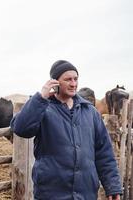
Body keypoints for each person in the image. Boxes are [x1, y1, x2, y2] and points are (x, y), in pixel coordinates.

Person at [10, 60, 122, 199]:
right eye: (68, 79)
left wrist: (112, 186)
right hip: (51, 194)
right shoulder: (43, 108)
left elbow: (104, 152)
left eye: (75, 79)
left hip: (85, 194)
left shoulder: (90, 112)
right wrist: (41, 97)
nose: (73, 84)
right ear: (55, 82)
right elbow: (21, 129)